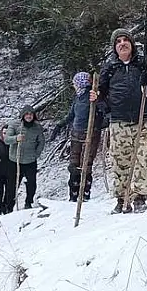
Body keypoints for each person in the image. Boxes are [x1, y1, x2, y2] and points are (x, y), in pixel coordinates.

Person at [93, 28, 147, 213]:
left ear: (132, 44)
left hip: (143, 118)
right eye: (118, 41)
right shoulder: (109, 68)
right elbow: (101, 93)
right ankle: (122, 199)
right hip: (119, 121)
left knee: (143, 158)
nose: (122, 43)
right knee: (120, 161)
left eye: (125, 39)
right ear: (114, 47)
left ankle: (140, 198)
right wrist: (98, 99)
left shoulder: (143, 63)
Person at [52, 72, 106, 202]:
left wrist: (98, 122)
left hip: (90, 134)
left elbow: (103, 110)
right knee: (74, 164)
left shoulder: (92, 96)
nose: (74, 86)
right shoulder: (78, 97)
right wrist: (59, 125)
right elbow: (71, 115)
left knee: (85, 164)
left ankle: (85, 194)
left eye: (76, 83)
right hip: (76, 133)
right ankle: (73, 194)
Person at [3, 106, 46, 210]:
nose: (29, 116)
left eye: (31, 114)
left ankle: (28, 202)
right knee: (12, 186)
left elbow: (41, 142)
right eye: (26, 114)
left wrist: (36, 154)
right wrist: (16, 138)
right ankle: (9, 206)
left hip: (30, 160)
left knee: (32, 183)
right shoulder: (14, 125)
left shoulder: (37, 127)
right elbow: (7, 139)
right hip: (15, 160)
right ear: (23, 115)